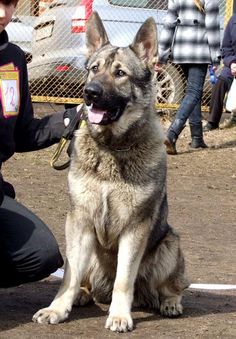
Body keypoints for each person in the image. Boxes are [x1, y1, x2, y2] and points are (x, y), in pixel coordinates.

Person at [0, 0, 80, 287]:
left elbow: (22, 133)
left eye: (9, 4)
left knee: (41, 255)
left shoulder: (13, 59)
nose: (3, 13)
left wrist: (70, 121)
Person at [156, 0, 221, 154]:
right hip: (199, 50)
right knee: (194, 92)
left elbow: (168, 24)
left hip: (181, 49)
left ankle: (197, 138)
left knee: (192, 94)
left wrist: (162, 54)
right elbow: (212, 27)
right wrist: (216, 56)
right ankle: (171, 134)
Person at [204, 13, 236, 132]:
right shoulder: (233, 20)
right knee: (221, 82)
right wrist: (232, 63)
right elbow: (226, 49)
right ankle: (213, 121)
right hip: (233, 65)